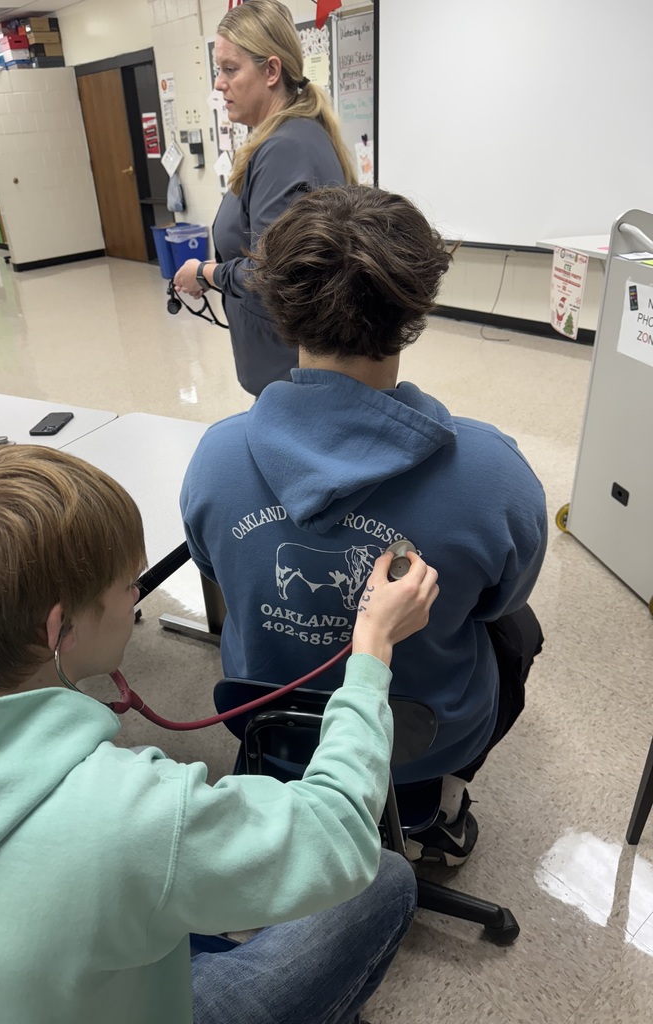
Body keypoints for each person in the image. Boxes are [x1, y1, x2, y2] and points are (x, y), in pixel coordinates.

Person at [0, 443, 439, 1024]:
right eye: (129, 585)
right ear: (59, 628)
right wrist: (374, 644)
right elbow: (339, 833)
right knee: (384, 880)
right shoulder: (130, 815)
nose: (137, 597)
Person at [181, 185, 547, 868]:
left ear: (280, 309)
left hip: (271, 725)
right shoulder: (497, 475)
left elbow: (215, 570)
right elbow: (502, 600)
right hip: (422, 735)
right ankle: (429, 809)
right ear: (414, 309)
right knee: (518, 633)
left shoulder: (215, 460)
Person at [173, 0, 355, 397]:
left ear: (271, 70)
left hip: (291, 374)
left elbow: (272, 272)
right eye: (218, 69)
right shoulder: (293, 136)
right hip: (291, 367)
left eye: (230, 69)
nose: (219, 83)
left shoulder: (285, 148)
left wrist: (205, 273)